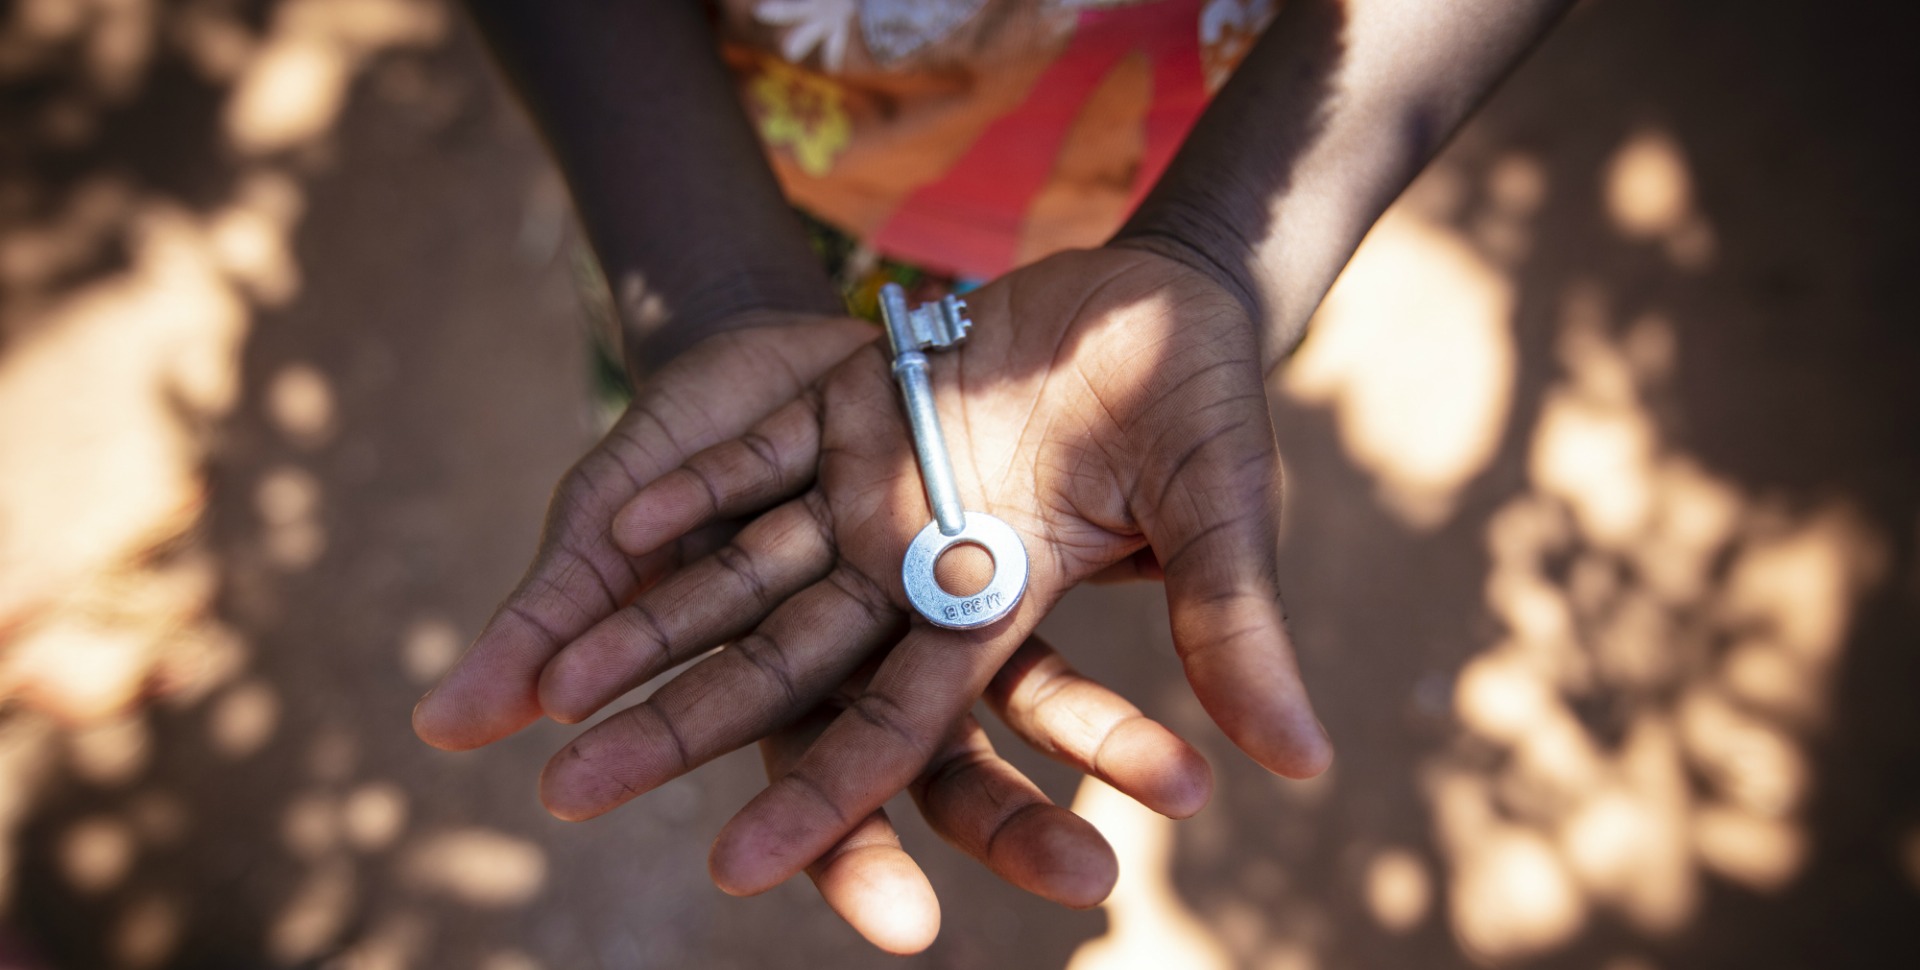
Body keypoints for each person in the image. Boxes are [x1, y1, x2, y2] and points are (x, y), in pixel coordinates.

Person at [412, 0, 1569, 953]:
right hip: (727, 172)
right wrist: (712, 289)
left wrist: (1218, 250)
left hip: (1211, 163)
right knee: (710, 483)